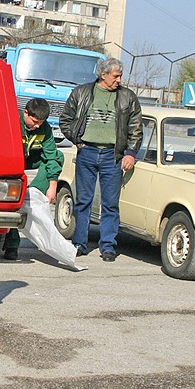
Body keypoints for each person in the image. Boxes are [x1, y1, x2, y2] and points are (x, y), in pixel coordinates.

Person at [59, 57, 142, 262]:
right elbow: (65, 119)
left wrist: (130, 152)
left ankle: (108, 246)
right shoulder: (82, 92)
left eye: (120, 76)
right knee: (83, 201)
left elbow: (136, 127)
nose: (119, 80)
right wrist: (78, 140)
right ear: (103, 75)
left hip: (112, 156)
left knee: (110, 204)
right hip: (87, 153)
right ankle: (80, 243)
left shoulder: (128, 97)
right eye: (115, 76)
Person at [3, 97, 64, 260]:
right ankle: (11, 245)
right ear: (25, 113)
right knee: (12, 201)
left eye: (40, 122)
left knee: (59, 156)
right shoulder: (10, 120)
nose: (37, 126)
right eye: (35, 121)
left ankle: (34, 193)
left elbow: (51, 157)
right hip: (8, 161)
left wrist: (52, 187)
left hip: (29, 160)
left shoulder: (44, 129)